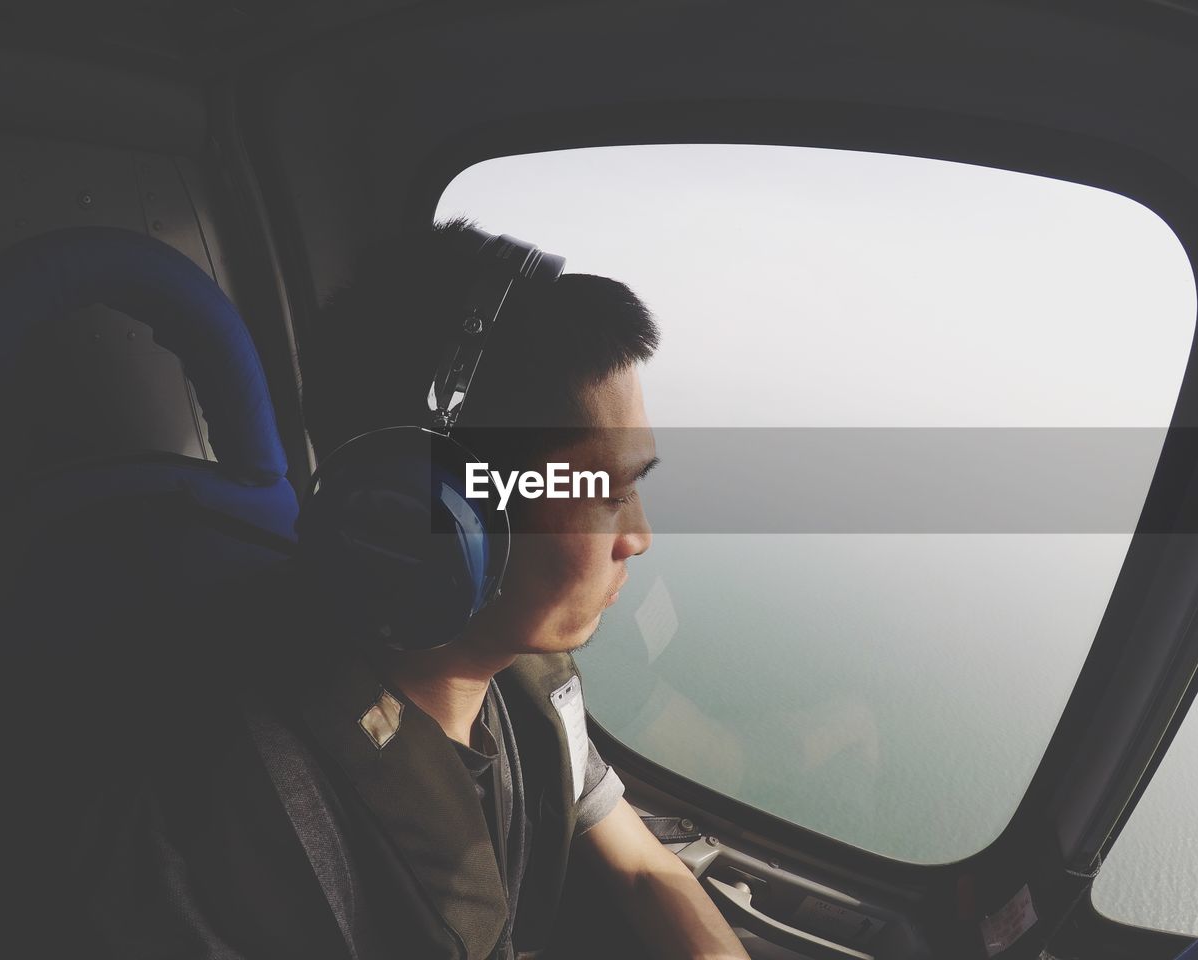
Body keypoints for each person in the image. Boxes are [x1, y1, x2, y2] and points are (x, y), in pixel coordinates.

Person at [65, 218, 750, 960]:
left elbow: (647, 872)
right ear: (441, 510)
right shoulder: (219, 817)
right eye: (602, 492)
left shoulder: (521, 685)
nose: (639, 536)